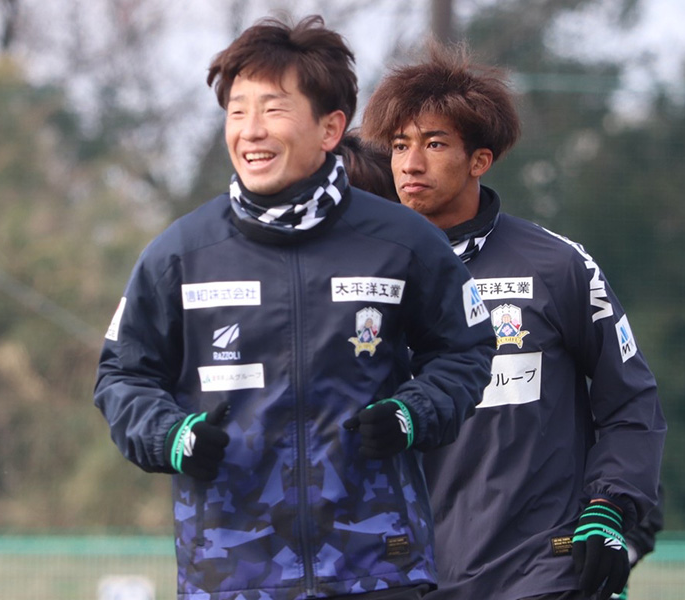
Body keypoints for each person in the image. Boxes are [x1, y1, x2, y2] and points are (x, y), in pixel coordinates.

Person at [94, 18, 496, 600]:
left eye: (273, 110)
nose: (250, 132)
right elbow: (121, 376)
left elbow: (467, 350)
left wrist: (414, 413)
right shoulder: (180, 253)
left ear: (331, 127)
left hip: (379, 569)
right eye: (237, 111)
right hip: (231, 574)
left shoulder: (405, 242)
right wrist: (171, 435)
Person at [360, 43, 666, 600]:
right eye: (400, 145)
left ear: (480, 159)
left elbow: (631, 403)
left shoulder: (559, 266)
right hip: (403, 573)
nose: (410, 164)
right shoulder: (361, 278)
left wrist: (609, 508)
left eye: (434, 144)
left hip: (542, 572)